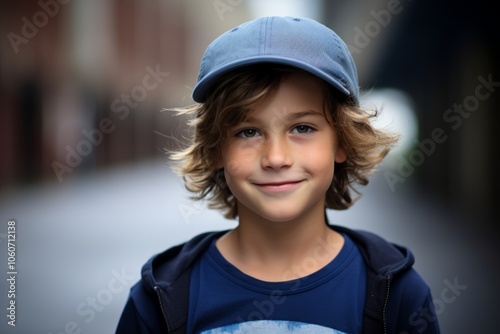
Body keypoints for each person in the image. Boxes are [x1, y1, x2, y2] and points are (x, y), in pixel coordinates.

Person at [116, 16, 440, 334]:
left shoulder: (395, 295)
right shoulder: (162, 297)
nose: (275, 158)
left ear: (341, 141)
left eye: (302, 128)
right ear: (216, 149)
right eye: (247, 132)